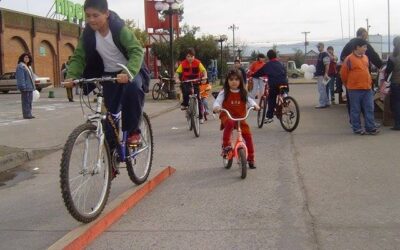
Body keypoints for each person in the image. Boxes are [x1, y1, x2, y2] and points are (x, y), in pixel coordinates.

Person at [64, 0, 145, 145]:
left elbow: (136, 50)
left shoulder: (119, 29)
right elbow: (79, 56)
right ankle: (112, 162)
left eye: (95, 15)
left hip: (129, 70)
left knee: (133, 89)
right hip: (108, 74)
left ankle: (133, 131)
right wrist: (72, 76)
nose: (91, 20)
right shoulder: (88, 34)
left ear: (106, 14)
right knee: (109, 118)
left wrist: (129, 72)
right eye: (88, 16)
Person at [213, 69, 260, 169]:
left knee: (248, 135)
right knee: (230, 122)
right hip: (227, 115)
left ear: (240, 81)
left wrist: (255, 105)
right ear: (227, 81)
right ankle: (226, 146)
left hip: (240, 117)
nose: (234, 82)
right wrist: (216, 107)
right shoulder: (224, 92)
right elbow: (217, 102)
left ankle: (251, 158)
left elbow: (250, 100)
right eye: (231, 79)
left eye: (236, 79)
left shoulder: (243, 92)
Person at [340, 38, 379, 135]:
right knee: (355, 109)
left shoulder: (365, 57)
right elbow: (343, 74)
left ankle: (370, 127)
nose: (366, 49)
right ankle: (357, 128)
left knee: (369, 108)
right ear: (357, 47)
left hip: (367, 88)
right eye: (364, 47)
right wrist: (348, 86)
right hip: (354, 90)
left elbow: (366, 70)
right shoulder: (348, 59)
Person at [252, 49, 288, 123]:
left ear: (268, 57)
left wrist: (253, 75)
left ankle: (269, 117)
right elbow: (285, 72)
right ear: (276, 56)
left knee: (271, 98)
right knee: (283, 91)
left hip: (274, 84)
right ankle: (285, 99)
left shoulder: (268, 65)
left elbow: (260, 72)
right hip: (284, 83)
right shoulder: (280, 63)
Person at [174, 48, 208, 114]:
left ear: (194, 56)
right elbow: (177, 72)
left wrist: (205, 76)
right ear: (186, 57)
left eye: (191, 56)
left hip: (196, 81)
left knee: (198, 98)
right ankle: (185, 104)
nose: (190, 58)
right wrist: (177, 79)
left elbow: (204, 71)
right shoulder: (183, 64)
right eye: (188, 56)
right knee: (186, 92)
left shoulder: (198, 63)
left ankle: (200, 116)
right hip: (186, 82)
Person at [384, 36, 400, 130]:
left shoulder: (392, 56)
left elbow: (388, 70)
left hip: (396, 83)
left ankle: (398, 124)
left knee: (396, 103)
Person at [16, 53, 36, 119]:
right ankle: (26, 114)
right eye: (25, 57)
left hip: (30, 87)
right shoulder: (21, 66)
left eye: (28, 57)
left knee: (29, 101)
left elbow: (31, 77)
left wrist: (34, 87)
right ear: (22, 58)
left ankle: (29, 113)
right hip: (25, 88)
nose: (27, 58)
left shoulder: (28, 67)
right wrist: (22, 86)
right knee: (25, 102)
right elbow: (21, 77)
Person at [314, 42, 331, 108]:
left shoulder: (325, 54)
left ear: (322, 47)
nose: (318, 48)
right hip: (321, 74)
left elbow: (327, 65)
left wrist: (326, 74)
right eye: (317, 47)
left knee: (321, 89)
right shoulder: (320, 54)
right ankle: (326, 102)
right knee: (323, 88)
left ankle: (322, 103)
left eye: (319, 47)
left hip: (323, 74)